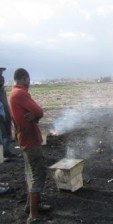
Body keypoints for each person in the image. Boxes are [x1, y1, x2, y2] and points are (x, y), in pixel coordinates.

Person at [9, 68, 51, 224]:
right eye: (28, 79)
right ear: (23, 78)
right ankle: (33, 217)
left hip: (24, 138)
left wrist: (33, 116)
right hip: (30, 140)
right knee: (38, 175)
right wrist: (36, 115)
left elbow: (34, 114)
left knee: (31, 174)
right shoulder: (20, 93)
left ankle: (30, 206)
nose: (29, 83)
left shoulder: (12, 93)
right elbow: (39, 111)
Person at [0, 67, 15, 159]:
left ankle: (6, 151)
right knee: (2, 135)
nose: (2, 78)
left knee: (7, 134)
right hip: (1, 117)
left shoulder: (2, 90)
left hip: (6, 115)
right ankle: (2, 154)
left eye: (1, 73)